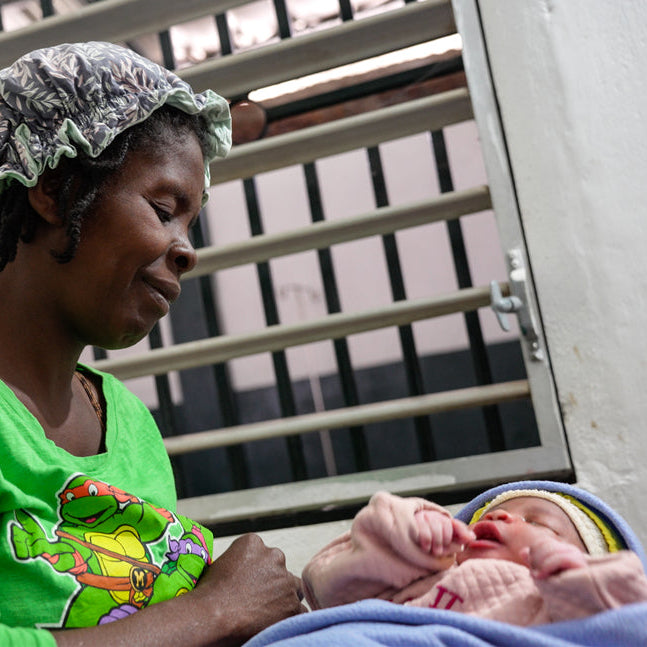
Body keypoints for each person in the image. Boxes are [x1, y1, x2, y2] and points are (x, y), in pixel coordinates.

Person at [0, 41, 306, 646]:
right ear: (56, 189)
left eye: (190, 225)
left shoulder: (128, 422)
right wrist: (213, 610)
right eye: (164, 208)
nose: (187, 250)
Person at [302, 480, 647, 626]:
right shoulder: (426, 575)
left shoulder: (555, 602)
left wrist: (578, 576)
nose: (500, 515)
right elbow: (326, 585)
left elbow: (625, 618)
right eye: (487, 515)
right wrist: (409, 536)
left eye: (538, 522)